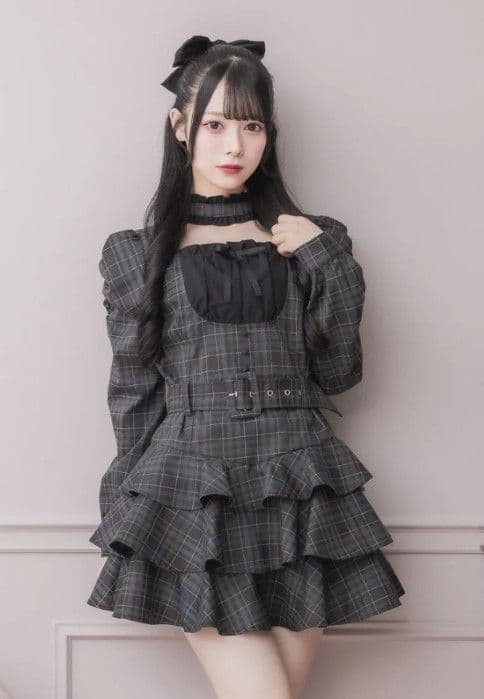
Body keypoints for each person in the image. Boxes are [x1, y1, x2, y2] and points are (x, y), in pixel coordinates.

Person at [87, 35, 405, 699]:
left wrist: (323, 259)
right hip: (194, 492)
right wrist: (125, 505)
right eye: (215, 125)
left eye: (251, 126)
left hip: (302, 489)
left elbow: (341, 373)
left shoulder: (315, 240)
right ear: (180, 127)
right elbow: (133, 393)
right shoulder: (137, 253)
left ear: (271, 130)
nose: (234, 146)